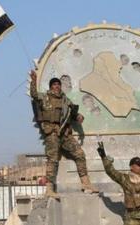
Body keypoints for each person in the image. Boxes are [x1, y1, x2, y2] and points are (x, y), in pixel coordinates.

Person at [29, 70, 98, 198]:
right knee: (53, 160)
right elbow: (33, 95)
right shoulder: (44, 97)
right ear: (50, 87)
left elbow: (72, 112)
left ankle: (86, 183)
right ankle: (49, 189)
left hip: (65, 133)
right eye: (54, 84)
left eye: (58, 84)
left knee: (80, 154)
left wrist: (78, 116)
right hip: (52, 133)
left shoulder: (65, 100)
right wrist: (33, 80)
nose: (57, 86)